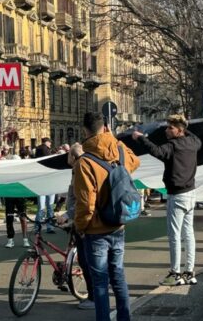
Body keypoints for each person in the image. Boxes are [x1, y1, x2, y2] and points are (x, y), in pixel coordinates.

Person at [74, 112, 140, 321]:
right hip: (119, 223)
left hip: (96, 230)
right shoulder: (119, 150)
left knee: (100, 283)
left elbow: (85, 204)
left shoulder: (84, 163)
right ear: (105, 127)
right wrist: (114, 139)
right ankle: (124, 318)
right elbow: (135, 161)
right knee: (118, 276)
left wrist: (81, 227)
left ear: (85, 131)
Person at [132, 114, 201, 286]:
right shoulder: (193, 143)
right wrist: (183, 123)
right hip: (191, 193)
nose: (166, 129)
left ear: (179, 130)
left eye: (170, 127)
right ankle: (190, 272)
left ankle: (175, 274)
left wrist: (141, 139)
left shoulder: (173, 146)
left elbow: (156, 151)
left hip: (177, 195)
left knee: (174, 236)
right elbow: (194, 137)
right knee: (189, 234)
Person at [56, 143, 95, 310]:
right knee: (86, 259)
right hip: (79, 219)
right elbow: (73, 195)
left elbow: (82, 199)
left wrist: (67, 215)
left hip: (84, 221)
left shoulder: (80, 169)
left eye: (67, 156)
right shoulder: (78, 169)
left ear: (72, 156)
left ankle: (94, 298)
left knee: (87, 261)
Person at [35, 138, 56, 233]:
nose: (50, 145)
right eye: (50, 143)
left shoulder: (37, 151)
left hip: (40, 181)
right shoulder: (47, 151)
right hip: (50, 181)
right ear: (47, 142)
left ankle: (37, 227)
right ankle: (50, 226)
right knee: (50, 205)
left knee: (41, 206)